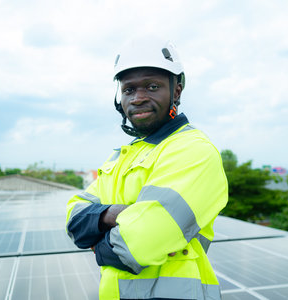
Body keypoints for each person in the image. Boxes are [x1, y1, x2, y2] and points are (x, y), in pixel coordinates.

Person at [66, 35, 228, 300]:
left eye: (152, 87)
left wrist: (99, 236)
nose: (138, 98)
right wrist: (118, 213)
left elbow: (134, 245)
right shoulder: (120, 157)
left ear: (176, 91)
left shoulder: (193, 150)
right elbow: (75, 219)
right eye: (128, 89)